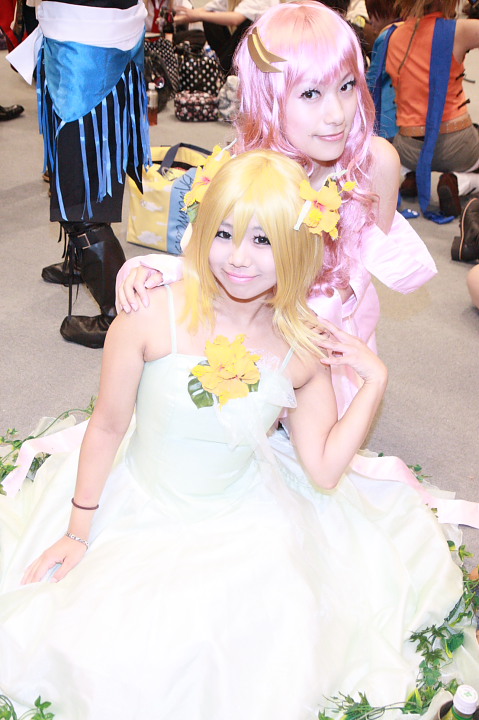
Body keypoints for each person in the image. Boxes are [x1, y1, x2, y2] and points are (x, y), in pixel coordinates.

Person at [1, 150, 478, 720]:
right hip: (138, 500)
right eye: (224, 233)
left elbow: (325, 469)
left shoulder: (300, 346)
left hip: (243, 514)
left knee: (255, 646)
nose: (238, 258)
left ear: (297, 247)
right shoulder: (150, 314)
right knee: (95, 649)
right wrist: (78, 533)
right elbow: (107, 426)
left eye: (264, 240)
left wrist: (374, 381)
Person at [116, 0, 437, 418]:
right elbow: (215, 261)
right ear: (268, 97)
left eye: (346, 86)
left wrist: (303, 328)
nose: (337, 114)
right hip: (247, 324)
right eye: (310, 93)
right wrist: (165, 273)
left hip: (326, 334)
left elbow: (354, 277)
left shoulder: (374, 162)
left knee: (318, 443)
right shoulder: (239, 165)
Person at [6, 0, 151, 349]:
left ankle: (118, 313)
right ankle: (82, 261)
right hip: (93, 35)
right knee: (85, 163)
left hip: (84, 47)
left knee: (80, 186)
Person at [386, 0, 479, 218]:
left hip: (408, 149)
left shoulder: (392, 34)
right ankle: (459, 182)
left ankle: (412, 177)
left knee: (395, 144)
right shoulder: (460, 30)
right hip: (458, 145)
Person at [172, 0, 278, 76]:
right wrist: (173, 20)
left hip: (264, 50)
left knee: (247, 24)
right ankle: (223, 66)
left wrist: (199, 15)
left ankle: (224, 69)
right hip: (244, 47)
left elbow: (236, 19)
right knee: (210, 20)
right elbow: (207, 10)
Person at [365, 0, 401, 141]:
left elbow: (372, 80)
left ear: (385, 12)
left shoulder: (386, 37)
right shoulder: (408, 30)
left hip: (386, 117)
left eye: (373, 15)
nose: (371, 21)